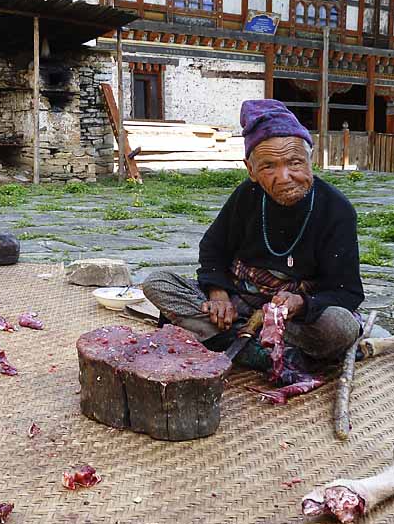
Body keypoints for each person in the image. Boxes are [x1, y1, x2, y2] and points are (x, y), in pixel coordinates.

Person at [142, 99, 364, 367]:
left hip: (291, 317)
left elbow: (347, 291)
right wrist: (217, 293)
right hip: (239, 300)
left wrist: (301, 303)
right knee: (158, 283)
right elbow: (213, 249)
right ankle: (262, 350)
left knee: (340, 328)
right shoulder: (247, 196)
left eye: (294, 162)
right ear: (251, 171)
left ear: (310, 161)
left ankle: (227, 340)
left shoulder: (335, 209)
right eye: (269, 166)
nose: (284, 177)